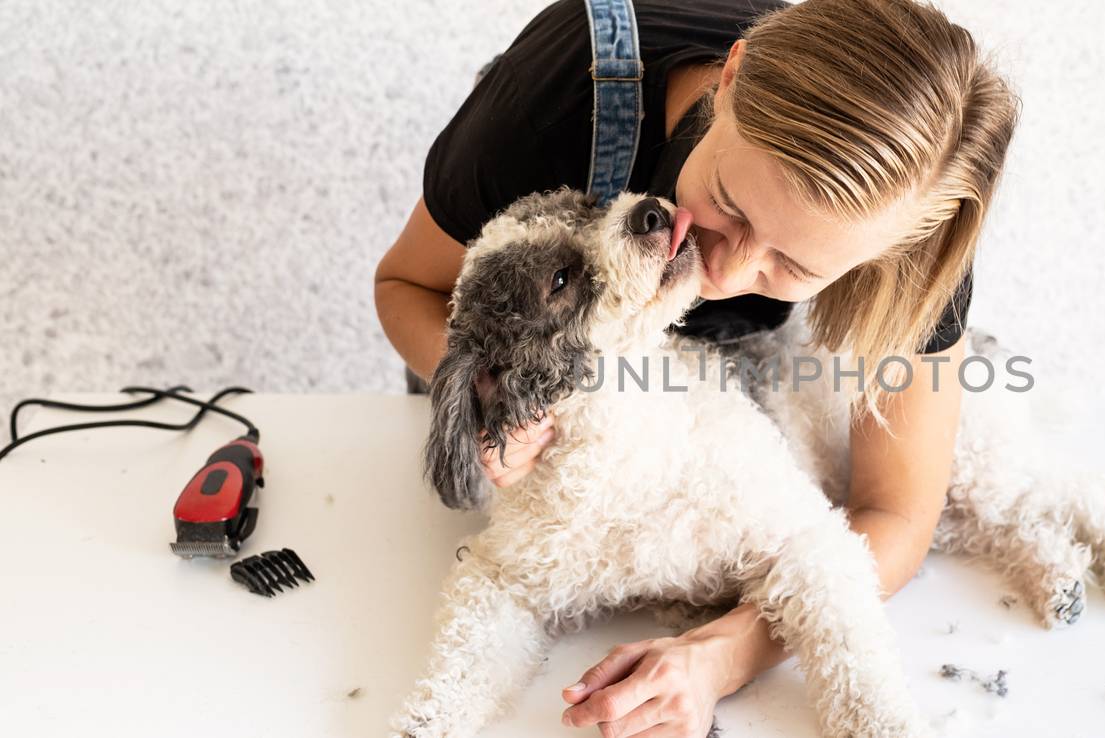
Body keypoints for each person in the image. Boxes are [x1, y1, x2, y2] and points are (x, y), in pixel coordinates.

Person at [372, 0, 1019, 735]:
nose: (730, 263)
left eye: (791, 264)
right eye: (731, 204)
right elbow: (403, 287)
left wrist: (723, 654)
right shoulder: (555, 99)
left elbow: (895, 512)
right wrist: (487, 402)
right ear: (731, 78)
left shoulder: (910, 234)